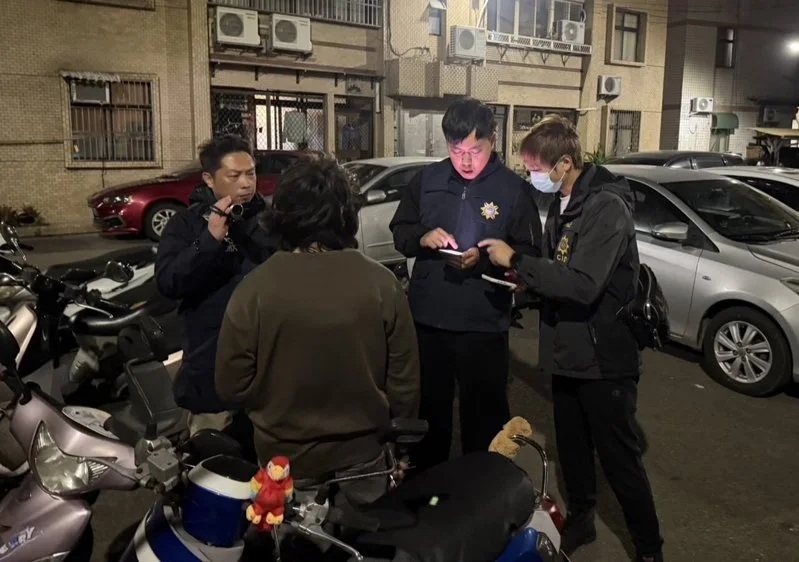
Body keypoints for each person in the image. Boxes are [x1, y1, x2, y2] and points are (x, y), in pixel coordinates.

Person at [478, 116, 663, 562]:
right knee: (573, 450)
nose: (532, 175)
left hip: (604, 359)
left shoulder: (606, 208)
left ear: (565, 163)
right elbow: (556, 270)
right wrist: (524, 282)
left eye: (536, 167)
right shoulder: (565, 203)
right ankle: (582, 518)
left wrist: (517, 260)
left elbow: (583, 284)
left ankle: (649, 547)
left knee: (619, 459)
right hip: (567, 353)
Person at [215, 152, 419, 506]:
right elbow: (404, 382)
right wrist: (401, 445)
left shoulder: (254, 289)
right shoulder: (382, 284)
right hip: (364, 453)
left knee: (289, 535)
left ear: (282, 214)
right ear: (347, 214)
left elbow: (231, 386)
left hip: (284, 460)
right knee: (366, 533)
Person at [389, 97, 542, 473]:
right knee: (429, 412)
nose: (467, 161)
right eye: (457, 151)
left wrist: (490, 259)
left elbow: (529, 253)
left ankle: (484, 483)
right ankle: (428, 484)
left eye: (476, 150)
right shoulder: (427, 180)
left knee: (484, 416)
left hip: (483, 323)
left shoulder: (513, 190)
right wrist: (422, 236)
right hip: (429, 321)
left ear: (493, 140)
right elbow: (401, 232)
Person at [155, 135, 277, 438]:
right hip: (212, 361)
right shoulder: (186, 225)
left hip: (268, 361)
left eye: (251, 173)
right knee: (212, 445)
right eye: (234, 176)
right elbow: (168, 282)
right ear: (209, 179)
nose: (246, 184)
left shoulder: (270, 220)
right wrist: (209, 240)